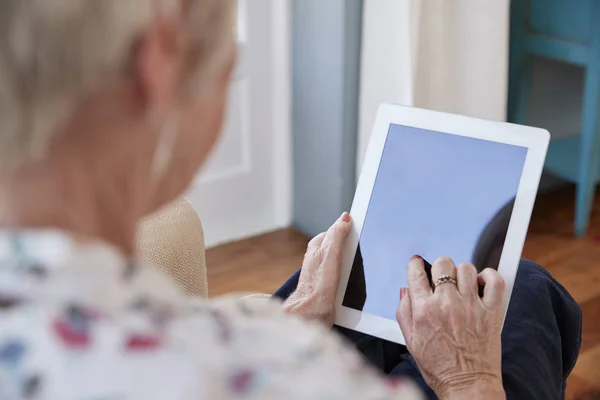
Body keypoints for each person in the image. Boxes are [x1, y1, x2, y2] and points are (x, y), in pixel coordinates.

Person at [0, 1, 580, 399]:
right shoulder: (281, 372)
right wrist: (467, 379)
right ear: (161, 63)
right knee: (522, 291)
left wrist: (292, 321)